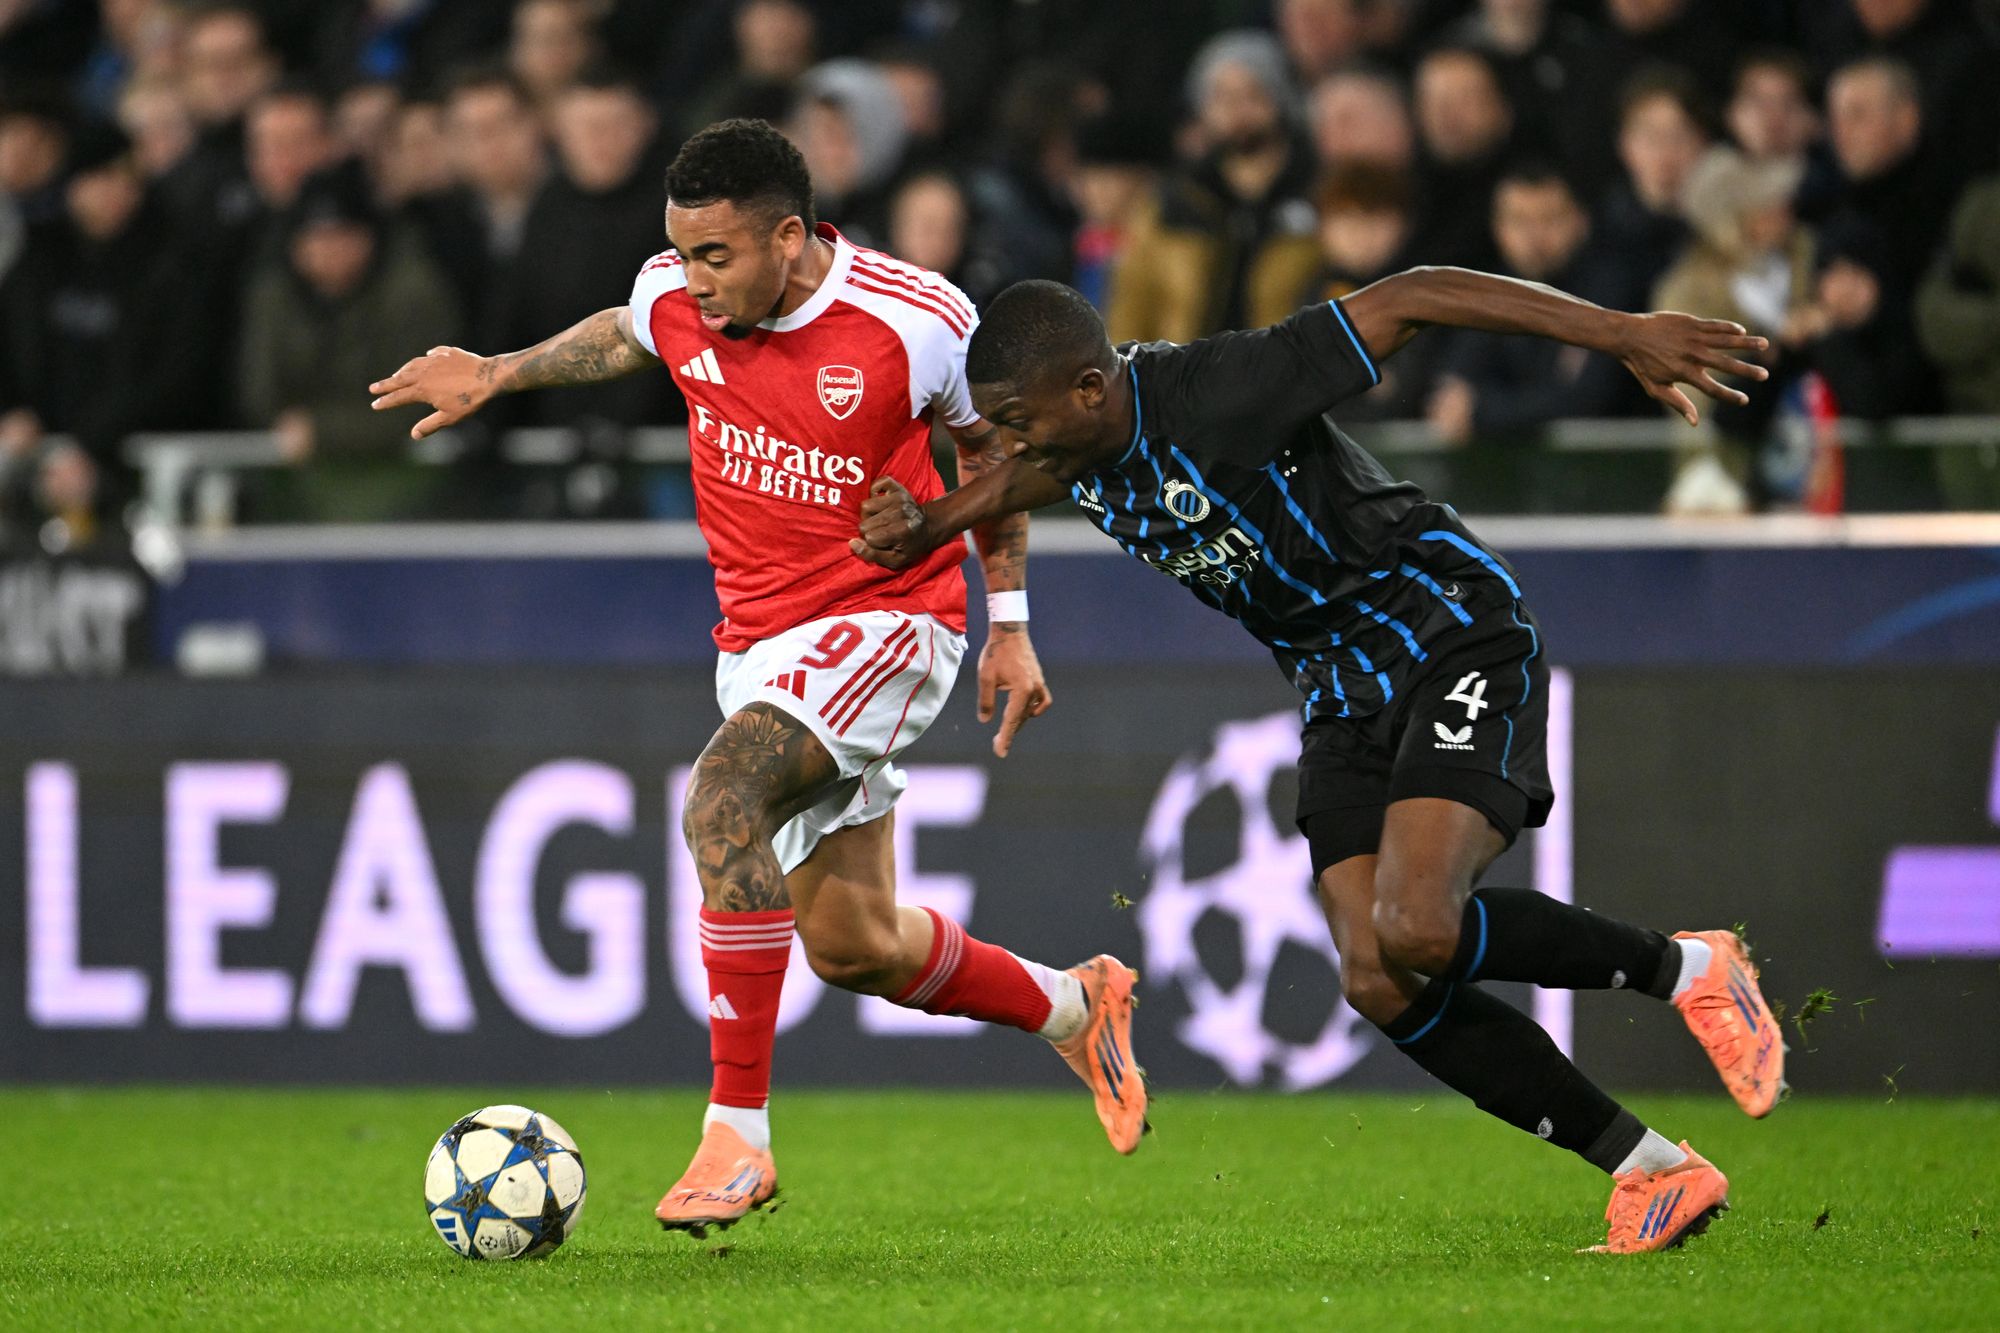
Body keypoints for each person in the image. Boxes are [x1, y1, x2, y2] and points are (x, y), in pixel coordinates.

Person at [850, 270, 1787, 1256]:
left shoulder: (1223, 388)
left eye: (1013, 416)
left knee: (1416, 929)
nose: (1009, 438)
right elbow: (1045, 472)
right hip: (1337, 686)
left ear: (1086, 388)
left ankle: (1688, 967)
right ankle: (1654, 1171)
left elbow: (1413, 294)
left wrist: (1619, 325)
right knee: (1378, 978)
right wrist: (935, 523)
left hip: (1445, 629)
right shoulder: (1077, 437)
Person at [366, 118, 1146, 1237]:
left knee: (720, 799)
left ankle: (737, 1135)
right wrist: (498, 372)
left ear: (791, 236)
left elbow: (994, 454)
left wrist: (1008, 621)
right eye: (681, 253)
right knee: (853, 944)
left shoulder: (915, 319)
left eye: (716, 256)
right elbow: (630, 331)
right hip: (759, 646)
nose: (694, 280)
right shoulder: (678, 295)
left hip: (886, 620)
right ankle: (1077, 1005)